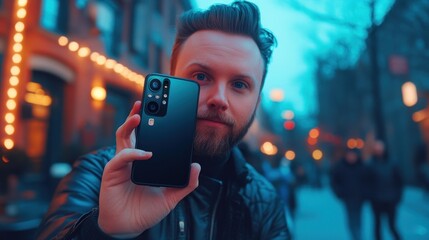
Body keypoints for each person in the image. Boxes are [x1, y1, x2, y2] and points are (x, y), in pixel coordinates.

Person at [35, 1, 291, 239]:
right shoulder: (97, 174)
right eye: (201, 76)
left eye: (239, 84)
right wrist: (103, 231)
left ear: (256, 101)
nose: (219, 99)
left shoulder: (263, 201)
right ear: (172, 78)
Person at [330, 148, 370, 240]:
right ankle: (355, 236)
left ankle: (358, 235)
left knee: (358, 218)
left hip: (360, 197)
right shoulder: (340, 167)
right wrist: (340, 193)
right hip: (348, 198)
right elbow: (334, 182)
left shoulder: (362, 167)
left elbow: (369, 181)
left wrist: (366, 194)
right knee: (351, 219)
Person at [367, 140, 403, 240]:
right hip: (376, 200)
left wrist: (398, 197)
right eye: (376, 148)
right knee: (377, 226)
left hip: (391, 199)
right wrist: (371, 196)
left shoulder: (392, 162)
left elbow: (399, 181)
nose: (379, 150)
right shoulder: (371, 164)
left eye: (380, 148)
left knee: (392, 226)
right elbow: (367, 182)